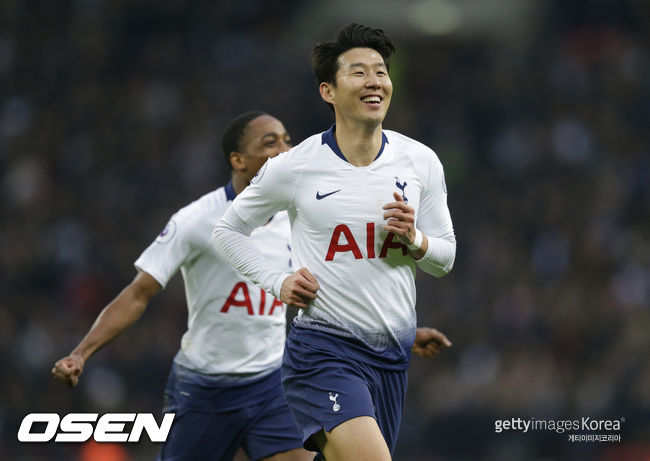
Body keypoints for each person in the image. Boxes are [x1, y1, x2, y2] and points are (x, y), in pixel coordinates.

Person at [212, 23, 456, 461]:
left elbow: (445, 257)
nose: (374, 81)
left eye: (381, 71)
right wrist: (278, 282)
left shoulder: (421, 161)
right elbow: (228, 230)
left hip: (391, 360)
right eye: (358, 72)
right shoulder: (295, 167)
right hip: (323, 353)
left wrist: (416, 240)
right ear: (328, 91)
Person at [52, 111, 313, 461]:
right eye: (270, 142)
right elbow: (138, 293)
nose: (285, 149)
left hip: (270, 381)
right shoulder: (197, 219)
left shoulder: (298, 216)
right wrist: (81, 353)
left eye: (287, 140)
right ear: (238, 160)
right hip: (206, 387)